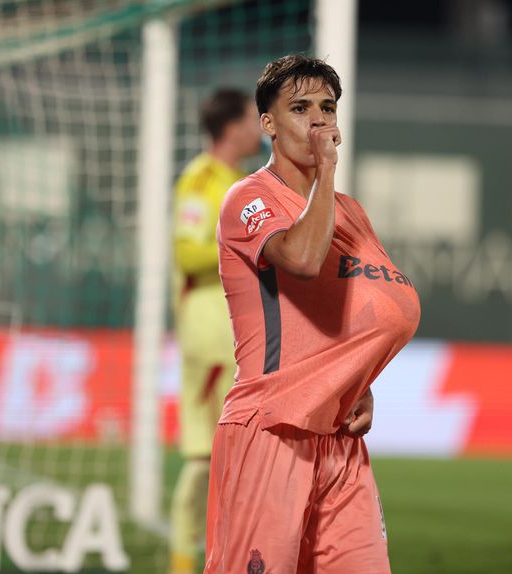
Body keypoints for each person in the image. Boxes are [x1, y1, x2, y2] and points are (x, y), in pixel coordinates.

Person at [205, 55, 420, 573]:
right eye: (300, 108)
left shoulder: (350, 212)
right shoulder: (248, 198)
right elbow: (301, 260)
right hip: (272, 428)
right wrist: (325, 171)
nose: (318, 120)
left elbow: (359, 305)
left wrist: (357, 380)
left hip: (338, 439)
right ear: (268, 123)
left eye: (327, 108)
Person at [169, 88, 262, 574]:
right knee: (205, 455)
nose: (259, 128)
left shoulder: (240, 182)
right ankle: (182, 563)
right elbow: (188, 253)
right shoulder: (201, 180)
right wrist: (247, 245)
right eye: (252, 119)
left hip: (239, 336)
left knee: (242, 458)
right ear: (231, 127)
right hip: (209, 336)